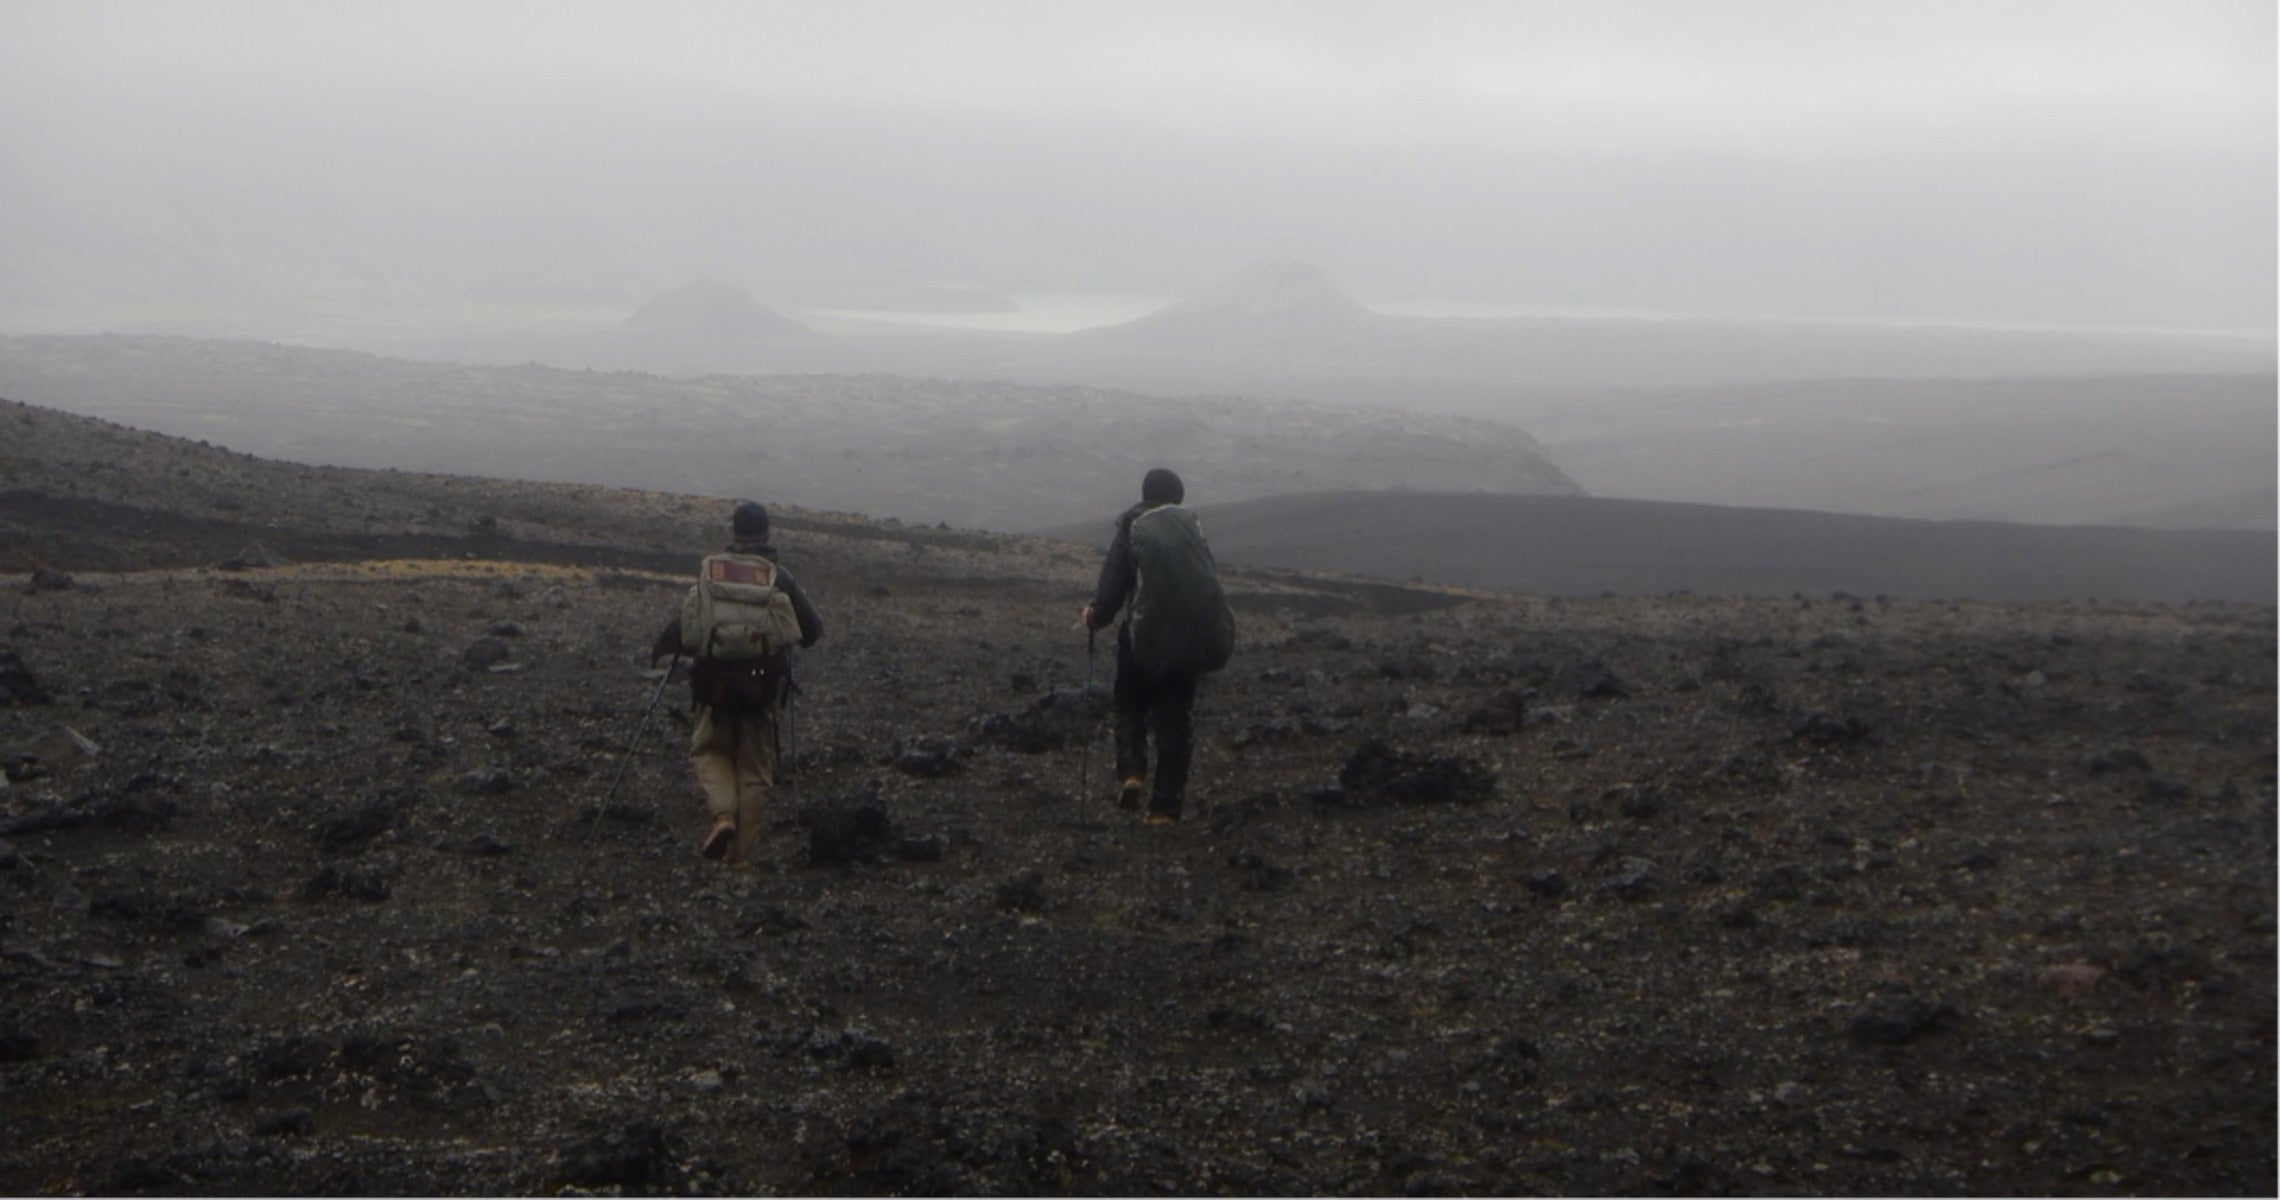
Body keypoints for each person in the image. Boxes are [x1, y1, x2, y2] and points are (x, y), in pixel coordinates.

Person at [651, 500, 823, 866]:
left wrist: (665, 650)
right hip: (761, 691)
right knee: (755, 768)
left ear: (733, 531)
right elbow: (812, 631)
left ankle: (723, 815)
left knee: (709, 751)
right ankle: (740, 857)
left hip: (712, 687)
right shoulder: (779, 575)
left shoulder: (711, 570)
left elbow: (688, 625)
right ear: (766, 534)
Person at [1080, 468, 1235, 825]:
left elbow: (1113, 586)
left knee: (1129, 705)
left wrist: (1095, 616)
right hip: (1188, 640)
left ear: (1144, 493)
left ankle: (1132, 772)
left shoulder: (1132, 526)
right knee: (1175, 720)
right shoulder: (1190, 529)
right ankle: (1164, 808)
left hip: (1142, 640)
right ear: (1177, 496)